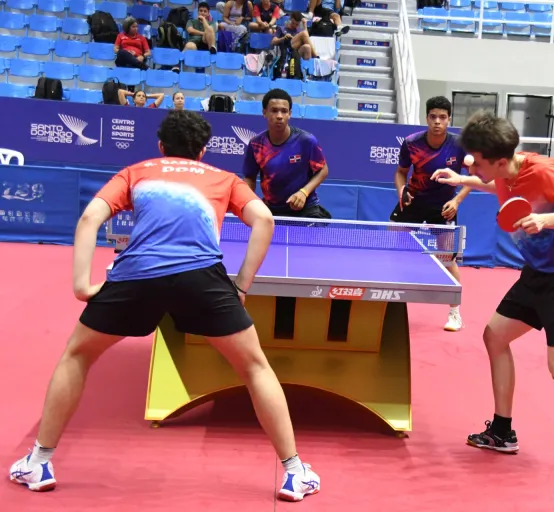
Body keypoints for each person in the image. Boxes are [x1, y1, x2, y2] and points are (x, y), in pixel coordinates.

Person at [8, 110, 320, 502]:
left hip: (135, 276)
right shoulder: (223, 179)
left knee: (77, 355)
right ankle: (294, 472)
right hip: (202, 280)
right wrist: (241, 283)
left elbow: (90, 217)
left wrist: (81, 285)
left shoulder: (136, 171)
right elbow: (264, 222)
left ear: (160, 146)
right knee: (255, 367)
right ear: (203, 151)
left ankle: (39, 462)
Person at [431, 111, 554, 479]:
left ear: (501, 161)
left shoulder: (546, 171)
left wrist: (546, 220)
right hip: (537, 273)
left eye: (479, 161)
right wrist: (463, 178)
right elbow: (496, 185)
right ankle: (502, 431)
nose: (473, 163)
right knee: (495, 335)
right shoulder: (504, 172)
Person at [390, 96, 470, 332]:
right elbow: (400, 172)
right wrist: (401, 191)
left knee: (448, 260)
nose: (437, 122)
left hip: (443, 207)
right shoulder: (412, 142)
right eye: (433, 117)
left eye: (442, 117)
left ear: (449, 119)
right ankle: (387, 306)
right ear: (426, 118)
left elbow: (473, 178)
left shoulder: (459, 145)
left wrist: (457, 200)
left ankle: (455, 314)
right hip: (412, 203)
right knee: (390, 251)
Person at [242, 88, 331, 219]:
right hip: (271, 209)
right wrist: (249, 203)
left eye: (284, 111)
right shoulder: (256, 144)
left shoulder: (306, 140)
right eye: (274, 110)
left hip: (305, 208)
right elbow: (249, 177)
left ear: (289, 114)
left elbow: (323, 170)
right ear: (264, 112)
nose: (279, 116)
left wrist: (303, 192)